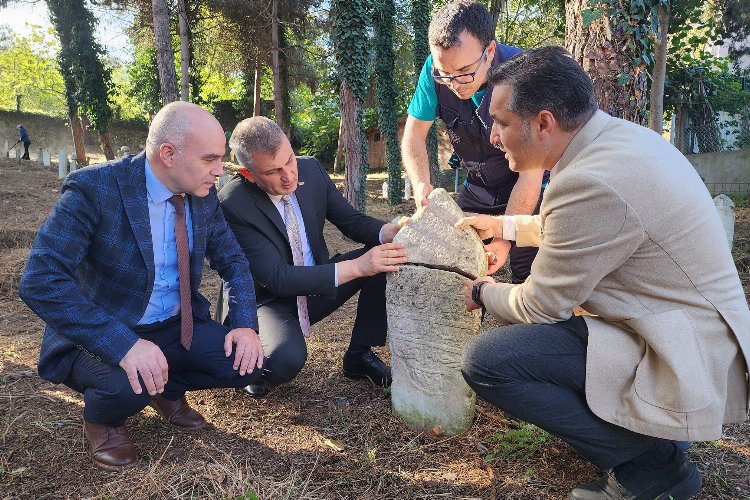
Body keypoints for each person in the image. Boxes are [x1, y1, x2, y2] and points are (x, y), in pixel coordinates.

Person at [458, 46, 750, 499]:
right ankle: (651, 436)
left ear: (543, 123)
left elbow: (539, 305)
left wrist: (482, 292)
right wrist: (506, 226)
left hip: (682, 354)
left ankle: (655, 465)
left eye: (501, 122)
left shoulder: (589, 180)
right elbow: (586, 228)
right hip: (684, 329)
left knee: (490, 362)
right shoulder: (615, 141)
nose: (493, 136)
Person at [19, 102, 265, 471]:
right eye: (210, 158)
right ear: (168, 154)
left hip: (173, 324)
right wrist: (124, 345)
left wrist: (245, 323)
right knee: (124, 387)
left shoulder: (203, 194)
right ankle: (103, 420)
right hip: (102, 331)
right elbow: (40, 279)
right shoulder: (95, 189)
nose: (220, 170)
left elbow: (233, 261)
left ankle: (163, 387)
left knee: (246, 365)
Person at [217, 116, 407, 397]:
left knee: (384, 259)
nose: (289, 176)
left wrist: (388, 232)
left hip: (316, 286)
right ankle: (254, 361)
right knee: (285, 360)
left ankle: (358, 356)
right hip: (267, 301)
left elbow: (351, 221)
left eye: (289, 160)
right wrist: (357, 267)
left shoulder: (311, 169)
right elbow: (277, 278)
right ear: (248, 174)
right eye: (273, 172)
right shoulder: (233, 203)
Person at [401, 0, 544, 283]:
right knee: (450, 263)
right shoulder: (435, 70)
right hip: (478, 187)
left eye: (464, 71)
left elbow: (531, 176)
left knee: (529, 276)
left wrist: (503, 238)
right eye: (445, 74)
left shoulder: (525, 76)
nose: (454, 83)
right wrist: (421, 185)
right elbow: (414, 134)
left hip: (530, 188)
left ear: (489, 51)